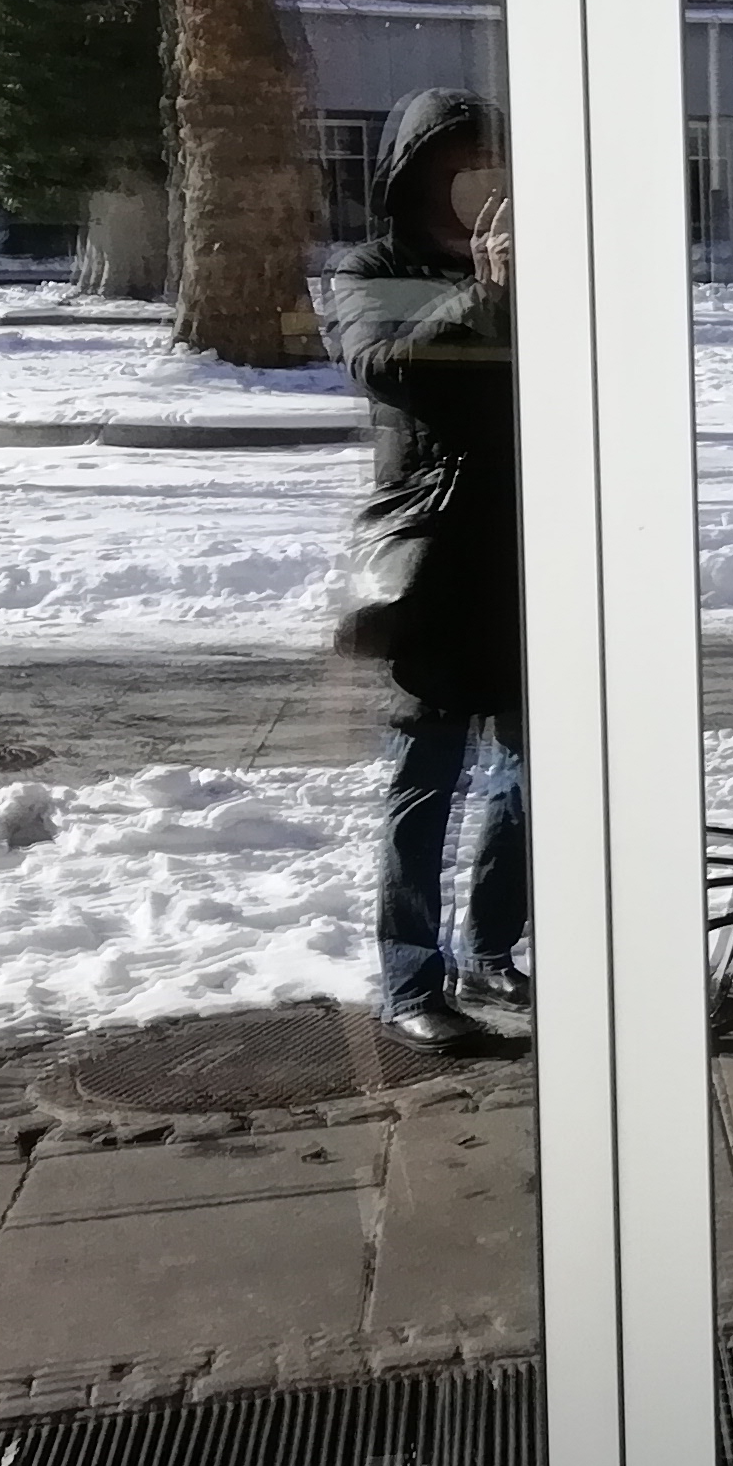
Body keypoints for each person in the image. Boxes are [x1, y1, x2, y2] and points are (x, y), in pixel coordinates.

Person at [328, 88, 526, 1051]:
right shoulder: (375, 269)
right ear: (414, 176)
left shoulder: (541, 266)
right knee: (427, 782)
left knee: (530, 784)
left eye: (491, 164)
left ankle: (493, 947)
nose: (478, 185)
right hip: (439, 567)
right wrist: (486, 295)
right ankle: (411, 978)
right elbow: (388, 367)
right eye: (457, 165)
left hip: (530, 559)